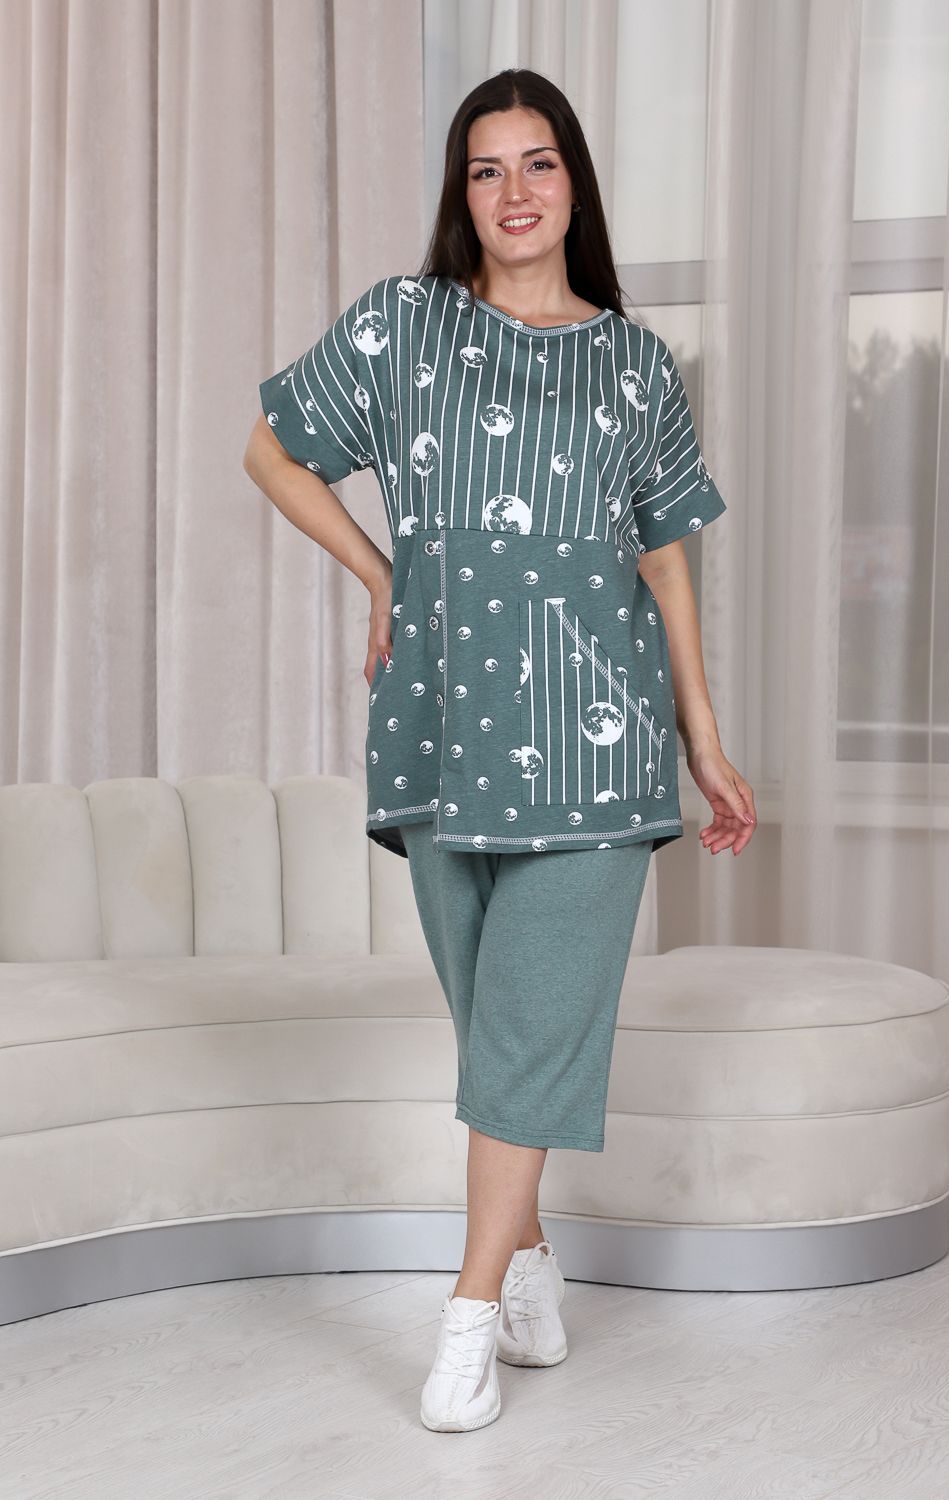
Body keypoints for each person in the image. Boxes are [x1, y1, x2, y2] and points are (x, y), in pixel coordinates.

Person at [245, 66, 757, 1435]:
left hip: (599, 747)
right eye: (486, 169)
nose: (513, 191)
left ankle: (466, 1313)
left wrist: (703, 741)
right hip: (441, 729)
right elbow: (273, 452)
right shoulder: (404, 325)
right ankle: (529, 1261)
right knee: (492, 1028)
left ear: (574, 184)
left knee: (530, 1021)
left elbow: (666, 560)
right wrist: (382, 577)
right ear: (460, 194)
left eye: (538, 164)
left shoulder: (636, 363)